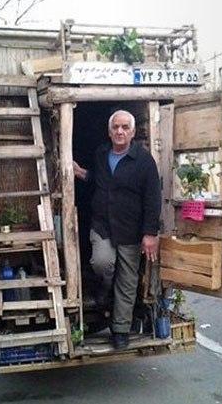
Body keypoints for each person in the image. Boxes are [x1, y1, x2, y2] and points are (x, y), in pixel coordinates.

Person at [73, 110, 161, 349]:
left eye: (125, 127)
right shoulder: (101, 154)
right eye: (116, 127)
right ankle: (104, 288)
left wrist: (150, 233)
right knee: (102, 263)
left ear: (132, 132)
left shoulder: (144, 161)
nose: (120, 131)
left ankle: (120, 330)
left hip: (131, 230)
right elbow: (99, 182)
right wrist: (82, 173)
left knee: (128, 280)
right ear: (109, 131)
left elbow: (153, 199)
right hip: (102, 225)